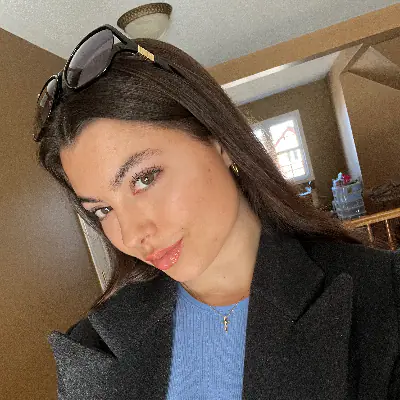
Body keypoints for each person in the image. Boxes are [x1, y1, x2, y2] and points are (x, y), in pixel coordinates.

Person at [34, 25, 400, 400]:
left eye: (144, 178)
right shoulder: (91, 347)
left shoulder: (383, 298)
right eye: (102, 209)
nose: (131, 235)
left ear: (219, 140)